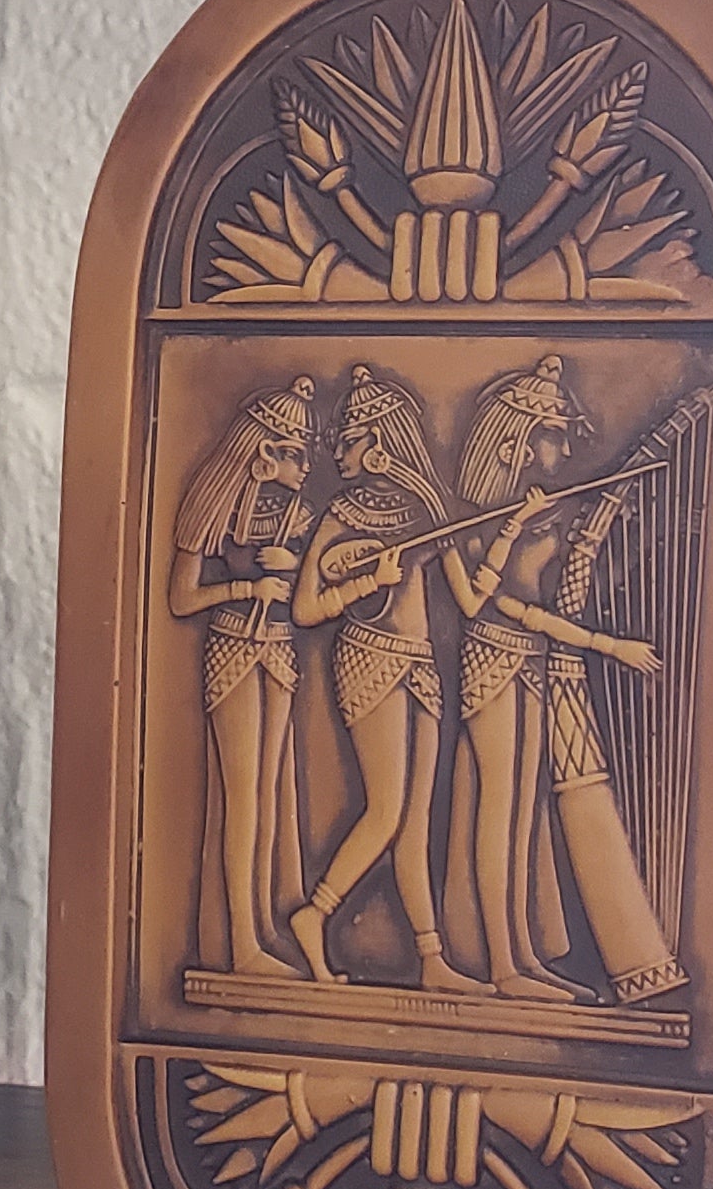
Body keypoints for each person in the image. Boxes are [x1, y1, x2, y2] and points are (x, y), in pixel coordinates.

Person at [442, 354, 686, 1007]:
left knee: (526, 812)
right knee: (498, 809)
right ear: (518, 441)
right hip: (493, 657)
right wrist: (607, 643)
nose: (562, 445)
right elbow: (481, 603)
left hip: (532, 662)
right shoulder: (474, 518)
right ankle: (499, 962)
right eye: (550, 434)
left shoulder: (543, 508)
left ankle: (520, 954)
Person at [289, 365, 471, 994]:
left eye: (350, 438)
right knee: (386, 807)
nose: (338, 450)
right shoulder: (343, 511)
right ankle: (315, 913)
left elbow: (468, 600)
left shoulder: (426, 508)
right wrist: (370, 581)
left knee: (415, 819)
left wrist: (509, 532)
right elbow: (307, 608)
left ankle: (430, 959)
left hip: (420, 660)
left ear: (383, 441)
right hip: (369, 654)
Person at [166, 376, 318, 976]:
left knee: (270, 795)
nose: (306, 466)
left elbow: (312, 581)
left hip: (278, 647)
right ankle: (239, 944)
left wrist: (297, 563)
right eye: (295, 454)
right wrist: (247, 587)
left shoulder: (293, 515)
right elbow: (181, 598)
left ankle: (259, 929)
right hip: (233, 644)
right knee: (242, 797)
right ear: (264, 454)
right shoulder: (213, 500)